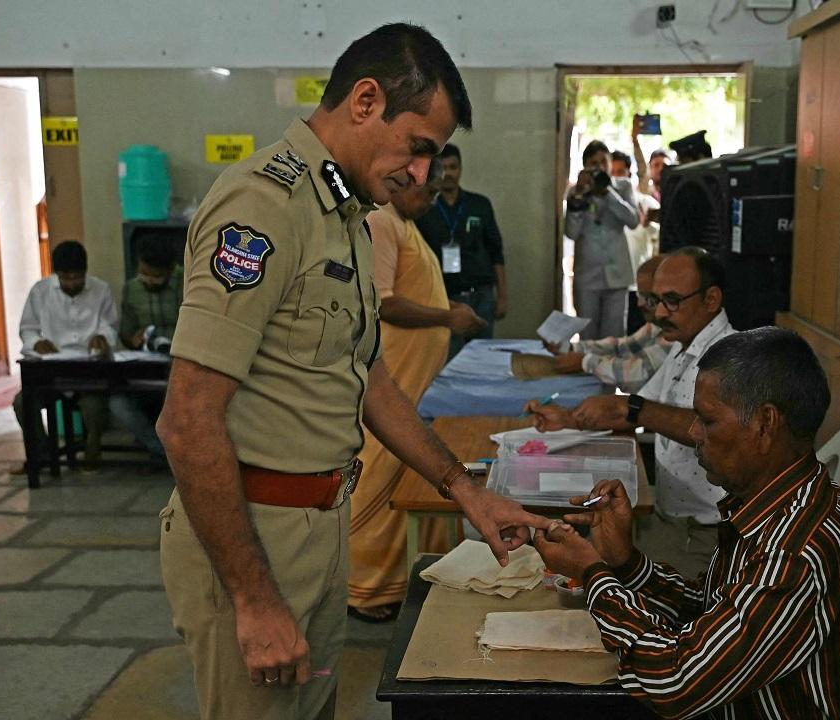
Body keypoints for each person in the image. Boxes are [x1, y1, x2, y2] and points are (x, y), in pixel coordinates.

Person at [155, 24, 551, 720]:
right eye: (418, 149)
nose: (423, 174)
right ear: (365, 100)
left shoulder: (343, 214)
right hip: (255, 535)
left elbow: (365, 377)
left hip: (318, 526)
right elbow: (188, 420)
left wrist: (465, 489)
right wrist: (254, 599)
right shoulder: (263, 206)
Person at [533, 326, 840, 719]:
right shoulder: (768, 502)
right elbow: (708, 612)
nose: (692, 433)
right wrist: (625, 563)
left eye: (707, 421)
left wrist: (593, 573)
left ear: (765, 423)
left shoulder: (796, 552)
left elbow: (677, 682)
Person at [526, 247, 736, 575]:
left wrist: (631, 406)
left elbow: (705, 429)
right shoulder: (683, 347)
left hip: (702, 534)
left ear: (710, 299)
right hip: (670, 518)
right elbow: (642, 408)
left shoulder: (729, 357)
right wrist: (567, 419)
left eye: (672, 301)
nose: (660, 313)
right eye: (656, 300)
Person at [348, 158, 485, 622]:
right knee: (382, 475)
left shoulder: (404, 225)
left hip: (414, 382)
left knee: (412, 474)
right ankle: (363, 589)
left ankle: (405, 575)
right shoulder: (381, 223)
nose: (430, 202)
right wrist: (447, 317)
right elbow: (384, 303)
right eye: (426, 193)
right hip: (394, 380)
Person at [10, 240, 116, 474]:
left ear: (85, 272)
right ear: (56, 274)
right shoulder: (40, 291)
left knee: (94, 404)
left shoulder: (101, 290)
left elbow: (110, 326)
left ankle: (92, 448)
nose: (71, 283)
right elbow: (27, 328)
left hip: (88, 368)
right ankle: (44, 452)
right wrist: (35, 343)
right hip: (53, 368)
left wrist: (103, 338)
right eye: (65, 278)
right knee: (22, 403)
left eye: (77, 277)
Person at [414, 143, 507, 357]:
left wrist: (502, 296)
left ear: (461, 169)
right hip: (444, 298)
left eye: (453, 167)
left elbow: (497, 252)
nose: (449, 174)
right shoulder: (425, 207)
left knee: (482, 358)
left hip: (481, 296)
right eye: (443, 168)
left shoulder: (480, 204)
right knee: (449, 359)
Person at [548, 254, 671, 393]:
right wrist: (572, 348)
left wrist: (584, 362)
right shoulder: (656, 326)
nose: (640, 303)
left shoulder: (677, 334)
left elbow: (637, 375)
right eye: (639, 295)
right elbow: (620, 347)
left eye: (649, 298)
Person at [109, 234, 183, 465]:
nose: (149, 280)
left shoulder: (188, 282)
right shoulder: (132, 289)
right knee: (118, 402)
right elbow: (126, 333)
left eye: (157, 276)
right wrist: (134, 338)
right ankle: (165, 454)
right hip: (146, 367)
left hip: (180, 365)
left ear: (170, 269)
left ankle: (177, 455)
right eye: (145, 274)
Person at [564, 140, 640, 340]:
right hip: (587, 275)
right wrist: (580, 195)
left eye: (603, 162)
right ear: (585, 166)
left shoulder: (622, 187)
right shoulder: (576, 192)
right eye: (593, 163)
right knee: (588, 335)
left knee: (614, 337)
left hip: (617, 274)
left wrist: (608, 193)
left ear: (610, 162)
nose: (599, 167)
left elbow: (633, 220)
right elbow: (571, 233)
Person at [631, 114, 672, 202]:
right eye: (656, 165)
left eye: (665, 165)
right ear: (650, 169)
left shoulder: (677, 191)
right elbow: (641, 164)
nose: (661, 169)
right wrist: (634, 139)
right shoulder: (645, 192)